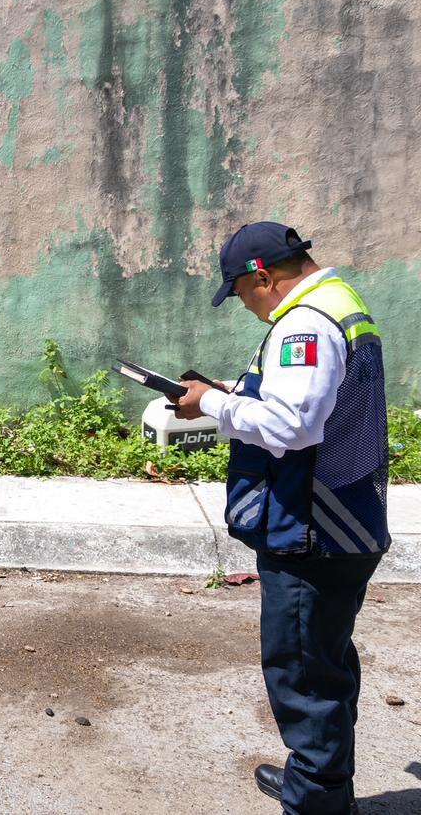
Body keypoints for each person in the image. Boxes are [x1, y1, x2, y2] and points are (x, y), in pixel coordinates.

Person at [171, 221, 388, 815]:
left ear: (261, 276)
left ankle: (313, 803)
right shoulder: (339, 303)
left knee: (304, 671)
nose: (244, 307)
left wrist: (210, 404)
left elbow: (294, 427)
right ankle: (318, 784)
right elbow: (305, 403)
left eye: (240, 294)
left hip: (313, 527)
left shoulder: (305, 323)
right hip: (347, 515)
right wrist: (228, 394)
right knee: (326, 658)